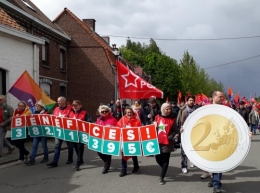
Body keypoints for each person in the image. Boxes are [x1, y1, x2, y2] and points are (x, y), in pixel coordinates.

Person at [154, 103, 179, 185]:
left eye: (169, 109)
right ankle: (164, 169)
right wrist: (153, 124)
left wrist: (170, 136)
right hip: (157, 141)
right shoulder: (157, 117)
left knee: (165, 160)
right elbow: (152, 129)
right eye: (167, 109)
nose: (169, 110)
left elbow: (175, 130)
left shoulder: (172, 119)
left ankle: (162, 177)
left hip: (167, 143)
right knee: (158, 159)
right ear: (162, 109)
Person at [46, 96, 74, 167]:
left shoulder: (70, 109)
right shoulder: (56, 109)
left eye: (60, 101)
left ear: (64, 102)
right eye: (58, 101)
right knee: (57, 146)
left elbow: (72, 119)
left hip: (67, 131)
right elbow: (52, 118)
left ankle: (70, 158)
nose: (58, 102)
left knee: (70, 145)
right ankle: (55, 162)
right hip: (58, 131)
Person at [117, 107, 141, 177]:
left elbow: (139, 129)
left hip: (133, 140)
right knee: (124, 154)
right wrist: (122, 127)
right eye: (128, 112)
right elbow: (118, 127)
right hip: (124, 140)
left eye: (130, 112)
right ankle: (123, 170)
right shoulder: (122, 119)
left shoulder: (137, 120)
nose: (129, 114)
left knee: (134, 153)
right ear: (125, 113)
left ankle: (136, 166)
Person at [68, 100, 92, 170]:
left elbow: (89, 122)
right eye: (73, 105)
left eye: (76, 105)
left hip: (81, 134)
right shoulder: (70, 113)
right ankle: (81, 160)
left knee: (80, 148)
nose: (74, 107)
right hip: (73, 134)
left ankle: (77, 164)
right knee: (76, 147)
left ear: (80, 106)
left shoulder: (85, 113)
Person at [96, 105, 117, 174]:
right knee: (99, 152)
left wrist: (112, 127)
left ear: (109, 112)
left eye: (106, 111)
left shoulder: (113, 119)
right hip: (101, 138)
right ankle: (106, 162)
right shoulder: (98, 119)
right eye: (102, 111)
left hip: (109, 139)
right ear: (100, 112)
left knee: (107, 153)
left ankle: (106, 167)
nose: (104, 112)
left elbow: (117, 129)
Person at [179, 96, 197, 174]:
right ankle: (184, 166)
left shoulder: (197, 110)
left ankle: (192, 161)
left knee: (193, 148)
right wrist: (180, 128)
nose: (191, 102)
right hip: (184, 132)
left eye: (193, 100)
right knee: (184, 150)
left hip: (194, 132)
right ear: (187, 101)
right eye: (190, 100)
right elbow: (179, 121)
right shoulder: (183, 110)